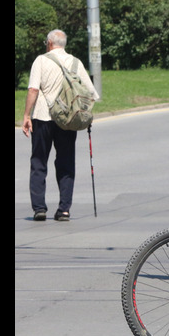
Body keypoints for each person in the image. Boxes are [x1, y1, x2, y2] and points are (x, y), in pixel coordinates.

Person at [21, 29, 99, 222]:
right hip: (68, 121)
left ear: (49, 43)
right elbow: (91, 93)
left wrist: (26, 115)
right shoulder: (75, 63)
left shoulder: (41, 60)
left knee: (39, 162)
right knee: (65, 163)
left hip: (42, 118)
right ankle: (64, 210)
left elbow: (33, 89)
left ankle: (39, 209)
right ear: (64, 44)